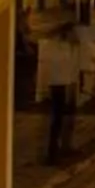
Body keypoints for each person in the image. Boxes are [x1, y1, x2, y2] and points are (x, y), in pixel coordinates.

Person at [34, 15, 82, 163]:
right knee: (57, 119)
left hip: (67, 84)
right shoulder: (55, 47)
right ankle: (52, 152)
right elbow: (52, 69)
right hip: (58, 85)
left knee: (66, 118)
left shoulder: (68, 46)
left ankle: (63, 147)